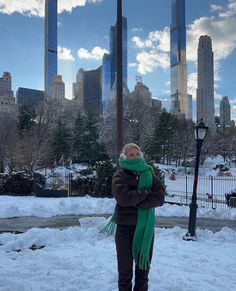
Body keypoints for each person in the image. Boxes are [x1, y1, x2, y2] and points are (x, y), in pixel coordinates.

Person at [112, 143, 165, 291]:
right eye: (131, 154)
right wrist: (145, 193)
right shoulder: (120, 175)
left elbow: (160, 197)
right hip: (124, 231)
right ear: (124, 157)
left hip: (145, 230)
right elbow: (123, 198)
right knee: (125, 273)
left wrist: (137, 201)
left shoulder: (149, 173)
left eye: (137, 154)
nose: (134, 156)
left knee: (143, 272)